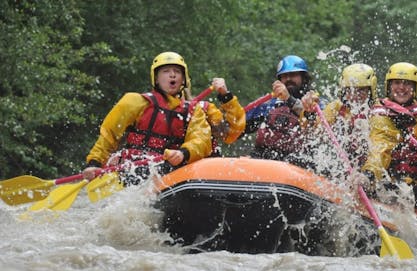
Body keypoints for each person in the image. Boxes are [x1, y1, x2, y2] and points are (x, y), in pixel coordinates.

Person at [82, 51, 243, 182]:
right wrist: (94, 163)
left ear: (183, 80)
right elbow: (108, 135)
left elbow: (202, 139)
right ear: (156, 79)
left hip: (170, 168)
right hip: (134, 167)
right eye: (166, 71)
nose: (172, 75)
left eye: (177, 72)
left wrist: (183, 153)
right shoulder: (134, 102)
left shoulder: (196, 111)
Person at [359, 62, 417, 239]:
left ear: (415, 88)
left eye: (407, 83)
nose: (401, 88)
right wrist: (369, 173)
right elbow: (380, 147)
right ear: (388, 86)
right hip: (390, 184)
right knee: (387, 185)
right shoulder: (380, 115)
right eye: (396, 83)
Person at [244, 55, 319, 168]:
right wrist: (226, 97)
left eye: (293, 75)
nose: (288, 79)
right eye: (284, 76)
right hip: (265, 162)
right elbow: (238, 126)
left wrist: (289, 99)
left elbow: (317, 124)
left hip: (300, 164)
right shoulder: (268, 104)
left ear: (303, 78)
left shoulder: (314, 102)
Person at [323, 63, 378, 167]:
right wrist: (309, 113)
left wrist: (368, 174)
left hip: (368, 171)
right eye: (349, 90)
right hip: (341, 167)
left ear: (371, 90)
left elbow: (379, 150)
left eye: (361, 90)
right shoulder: (335, 108)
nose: (354, 95)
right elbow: (316, 130)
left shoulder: (378, 113)